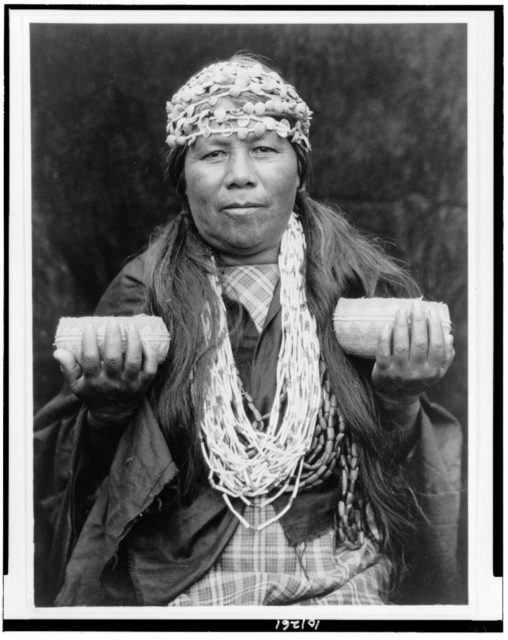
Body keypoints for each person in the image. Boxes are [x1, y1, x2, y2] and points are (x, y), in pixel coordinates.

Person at [34, 53, 462, 607]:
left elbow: (408, 467)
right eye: (213, 153)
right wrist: (108, 411)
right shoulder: (144, 291)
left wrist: (399, 401)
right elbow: (74, 479)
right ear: (182, 178)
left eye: (264, 149)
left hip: (339, 570)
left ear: (299, 168)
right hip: (183, 580)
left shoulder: (361, 282)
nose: (240, 174)